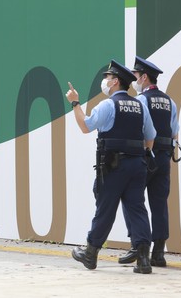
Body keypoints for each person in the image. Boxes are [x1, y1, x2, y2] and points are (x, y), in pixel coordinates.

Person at [66, 59, 156, 274]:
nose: (105, 81)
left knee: (105, 209)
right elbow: (150, 137)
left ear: (115, 82)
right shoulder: (140, 105)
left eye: (107, 78)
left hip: (114, 166)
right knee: (137, 208)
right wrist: (140, 154)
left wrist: (75, 103)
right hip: (137, 164)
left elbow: (85, 126)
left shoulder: (108, 105)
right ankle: (143, 259)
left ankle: (91, 253)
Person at [118, 56, 180, 267]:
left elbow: (142, 130)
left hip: (146, 156)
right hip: (164, 158)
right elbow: (174, 134)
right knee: (159, 203)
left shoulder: (141, 101)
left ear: (144, 77)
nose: (134, 80)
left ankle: (138, 246)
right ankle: (159, 253)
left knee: (132, 199)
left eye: (135, 76)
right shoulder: (170, 101)